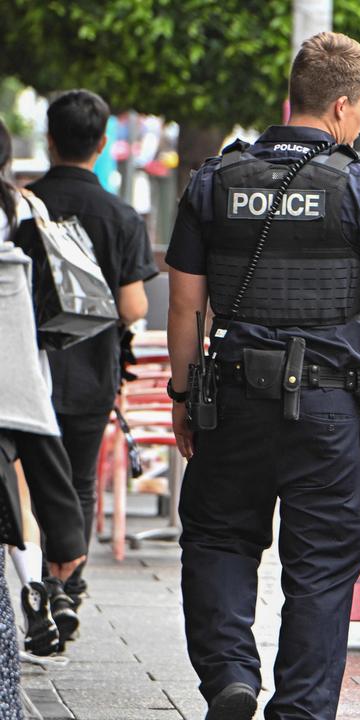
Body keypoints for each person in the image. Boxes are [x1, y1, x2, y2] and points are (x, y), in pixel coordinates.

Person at [164, 32, 360, 720]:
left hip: (232, 398)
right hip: (329, 410)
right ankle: (299, 710)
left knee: (217, 537)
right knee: (322, 567)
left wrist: (183, 397)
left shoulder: (214, 180)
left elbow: (185, 304)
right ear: (337, 106)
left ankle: (231, 676)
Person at [11, 89, 157, 640]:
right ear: (101, 145)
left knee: (23, 482)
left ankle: (34, 585)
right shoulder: (120, 216)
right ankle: (69, 583)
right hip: (94, 372)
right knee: (78, 482)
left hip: (26, 371)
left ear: (49, 139)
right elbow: (133, 307)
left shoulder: (22, 208)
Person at [0, 117, 87, 691]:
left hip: (20, 376)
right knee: (22, 478)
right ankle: (36, 581)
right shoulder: (25, 209)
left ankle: (34, 584)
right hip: (23, 372)